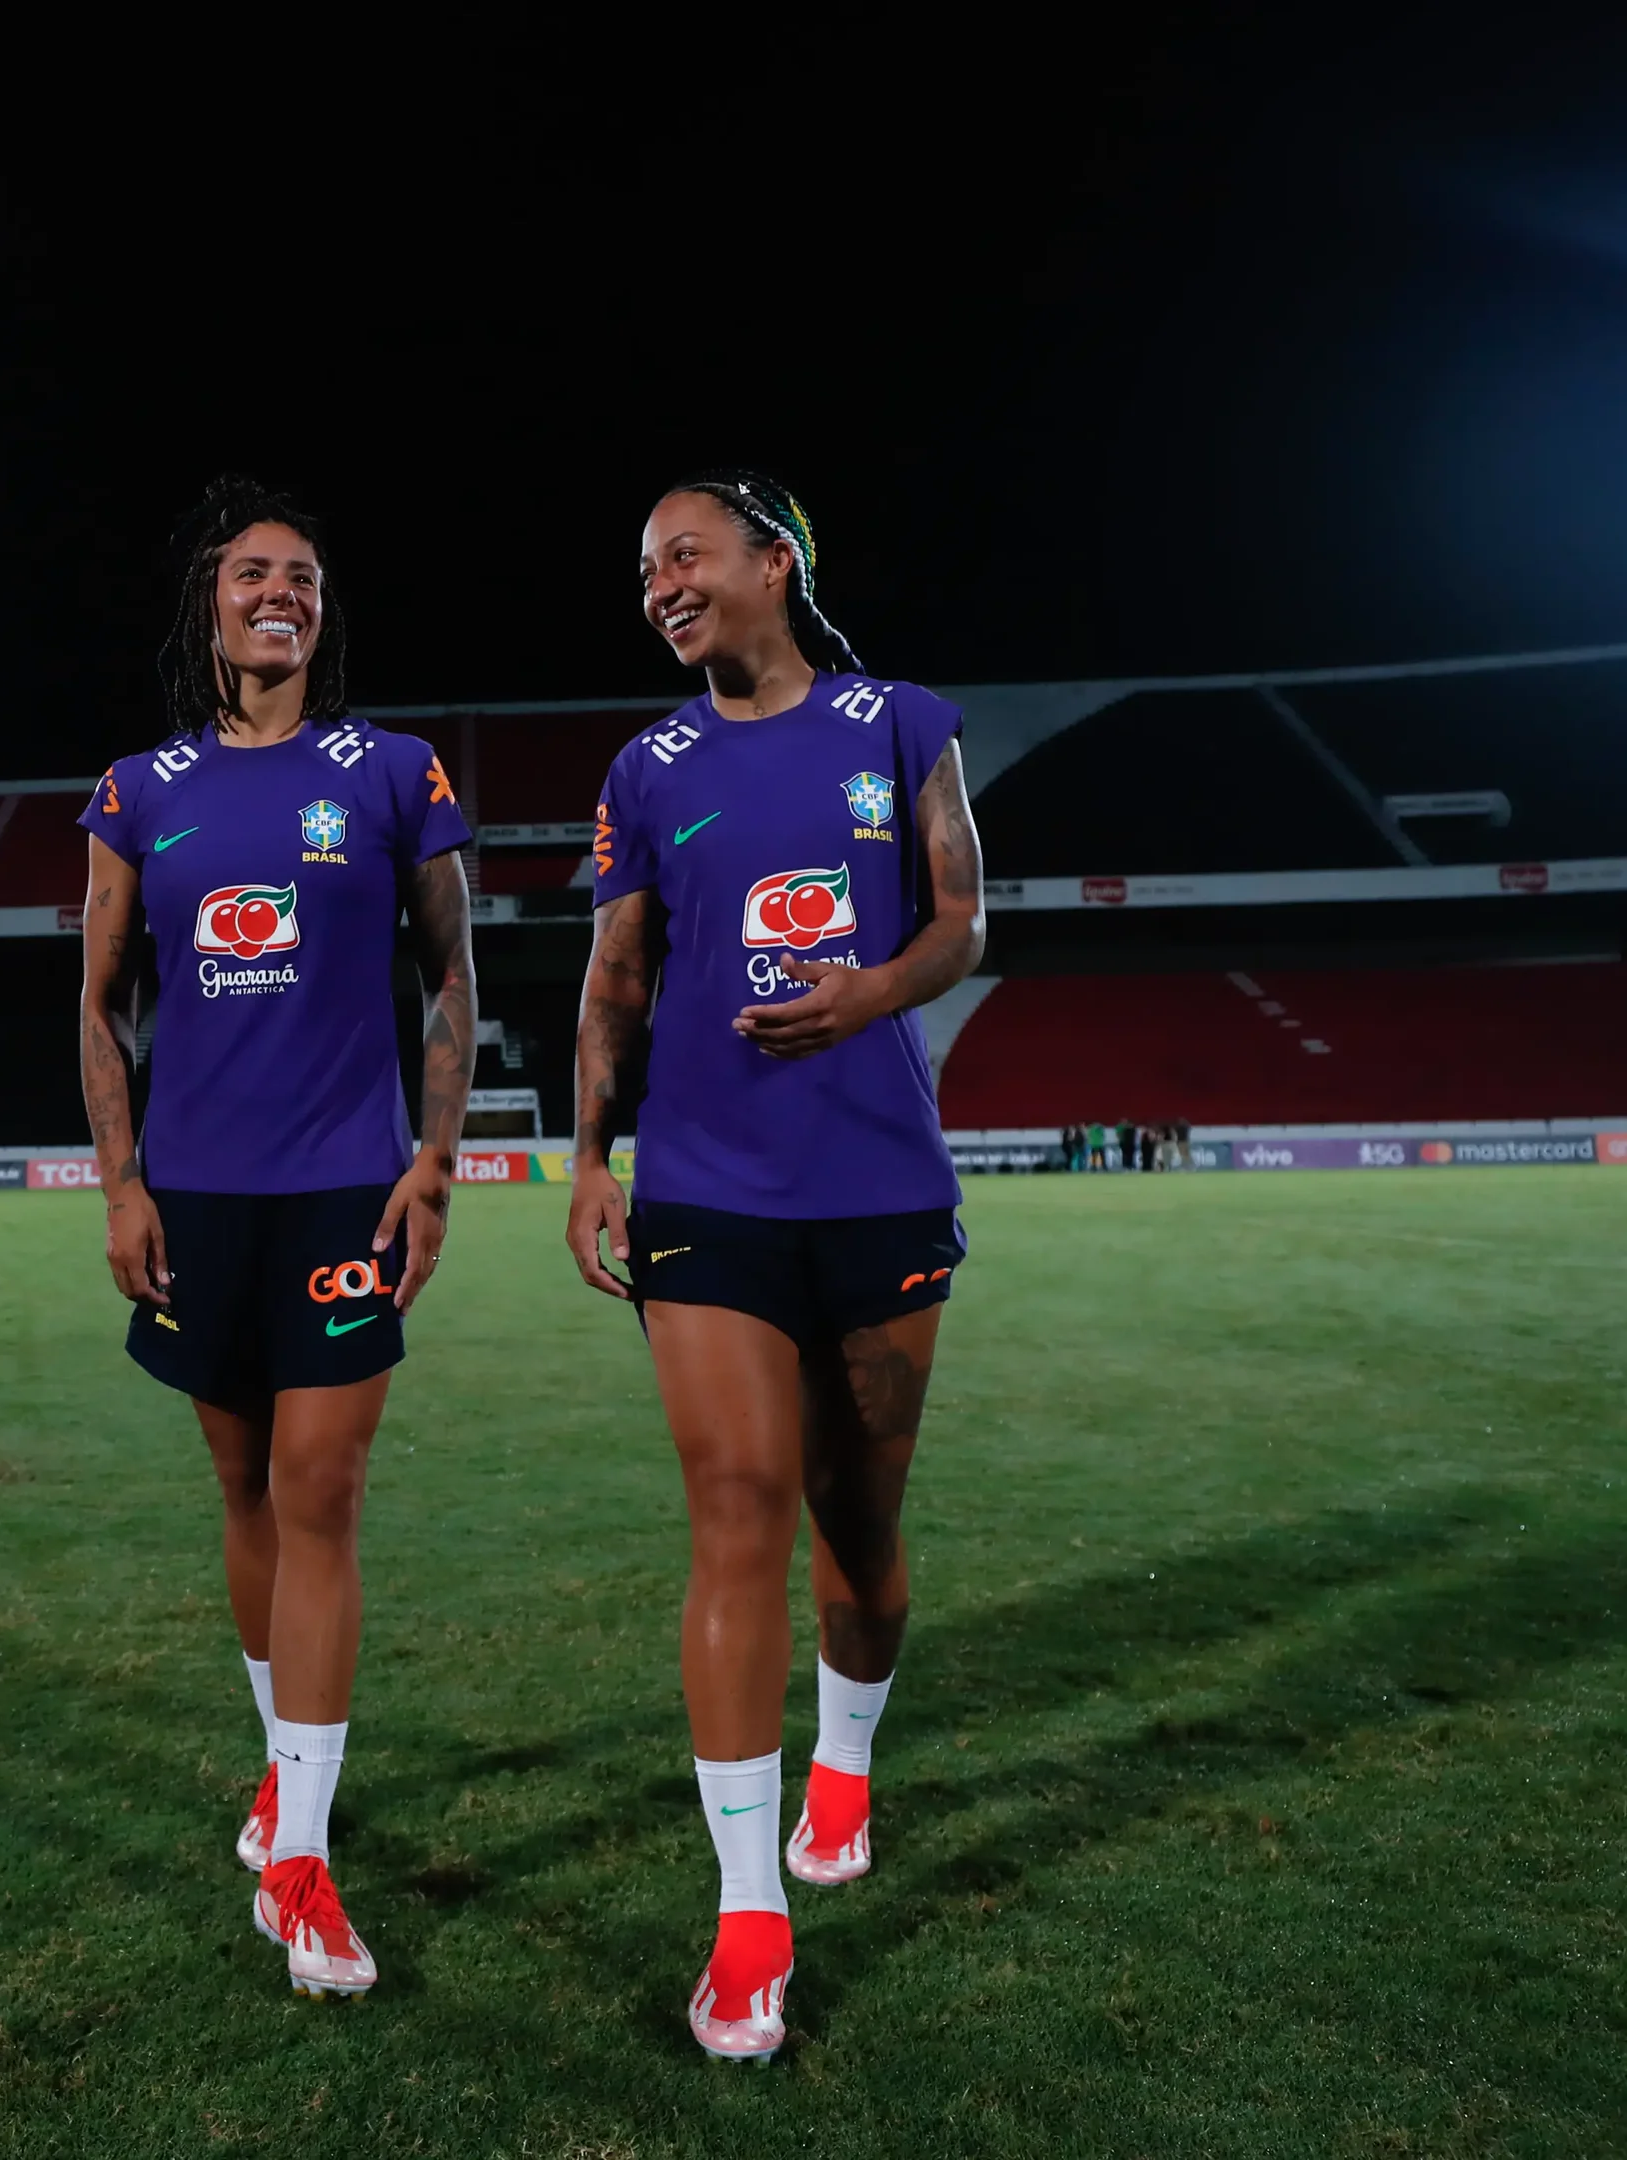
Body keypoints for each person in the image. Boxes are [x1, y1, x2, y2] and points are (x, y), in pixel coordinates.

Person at [566, 470, 987, 2061]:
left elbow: (963, 923)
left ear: (774, 561)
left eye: (686, 553)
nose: (662, 583)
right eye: (646, 566)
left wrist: (862, 993)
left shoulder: (900, 723)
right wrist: (594, 1161)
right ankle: (751, 1919)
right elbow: (614, 982)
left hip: (877, 1187)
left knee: (857, 1528)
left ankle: (846, 1764)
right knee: (737, 1506)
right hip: (708, 1192)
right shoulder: (647, 766)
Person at [77, 476, 476, 1999]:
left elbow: (450, 981)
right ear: (213, 604)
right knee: (243, 1484)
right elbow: (101, 1002)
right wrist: (121, 1181)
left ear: (321, 610)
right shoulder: (137, 789)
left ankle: (301, 1864)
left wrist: (435, 1161)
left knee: (323, 1486)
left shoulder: (394, 774)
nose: (277, 592)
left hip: (340, 1189)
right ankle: (280, 1772)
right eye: (251, 573)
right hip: (191, 1198)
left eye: (301, 575)